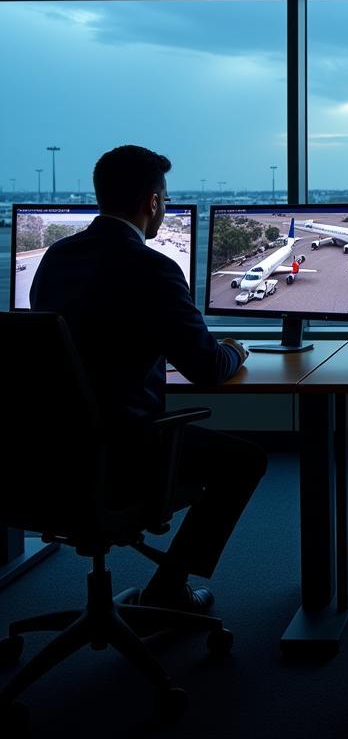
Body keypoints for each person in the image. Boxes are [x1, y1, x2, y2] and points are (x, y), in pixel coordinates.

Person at [30, 144, 267, 613]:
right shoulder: (152, 267)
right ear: (153, 203)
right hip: (123, 451)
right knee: (246, 461)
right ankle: (169, 586)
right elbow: (207, 370)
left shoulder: (56, 257)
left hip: (44, 453)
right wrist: (235, 350)